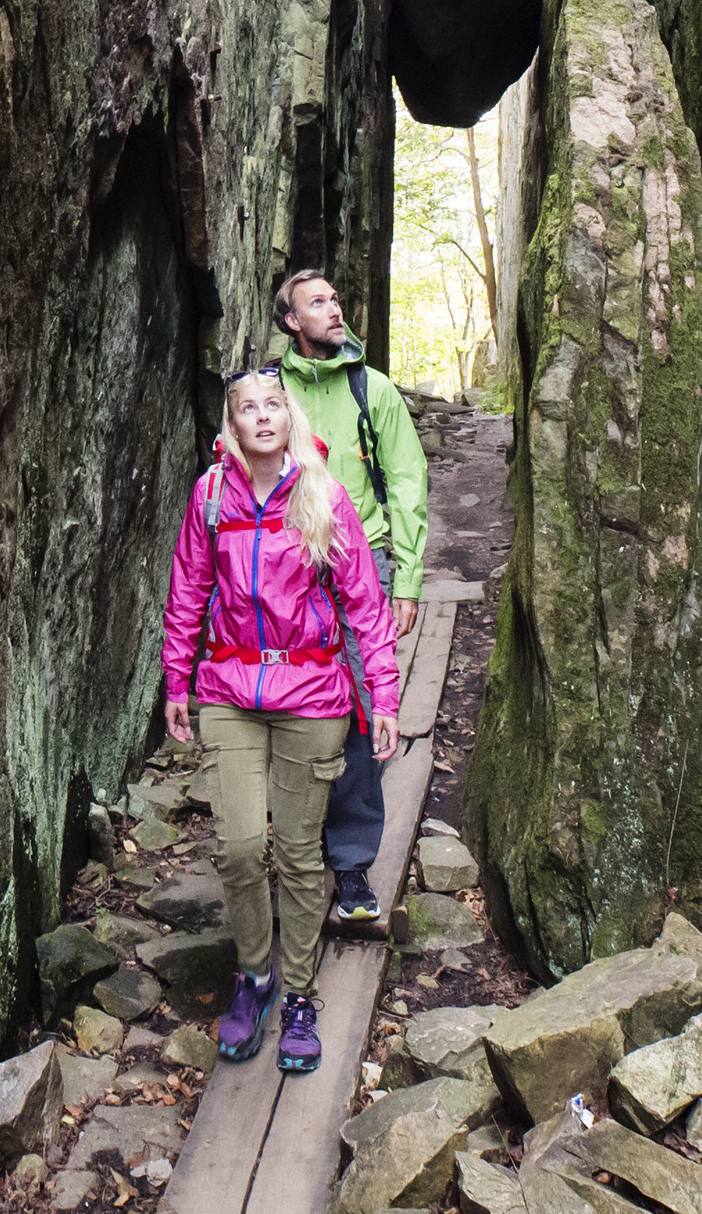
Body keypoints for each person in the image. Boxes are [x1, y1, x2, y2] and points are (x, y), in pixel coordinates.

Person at [162, 359, 401, 1076]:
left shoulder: (323, 495)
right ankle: (254, 975)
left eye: (273, 405)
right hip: (230, 690)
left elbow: (365, 603)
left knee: (299, 856)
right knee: (239, 849)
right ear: (231, 425)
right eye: (247, 408)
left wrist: (383, 696)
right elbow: (188, 592)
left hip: (313, 695)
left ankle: (299, 996)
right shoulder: (211, 498)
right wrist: (178, 681)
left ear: (287, 417)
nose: (262, 416)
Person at [267, 269, 427, 927]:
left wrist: (409, 578)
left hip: (365, 571)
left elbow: (408, 478)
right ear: (290, 321)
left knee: (362, 713)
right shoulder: (267, 395)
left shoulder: (374, 390)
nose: (335, 309)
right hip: (287, 577)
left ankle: (354, 866)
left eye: (336, 298)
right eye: (318, 302)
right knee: (293, 714)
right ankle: (299, 857)